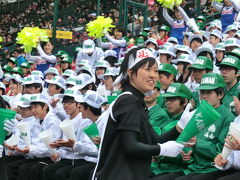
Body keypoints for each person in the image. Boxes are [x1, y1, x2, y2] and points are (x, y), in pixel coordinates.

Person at [92, 48, 185, 180]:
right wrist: (162, 150)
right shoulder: (129, 101)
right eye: (147, 69)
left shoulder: (134, 101)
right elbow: (130, 147)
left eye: (156, 70)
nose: (153, 75)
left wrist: (180, 127)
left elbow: (155, 140)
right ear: (131, 73)